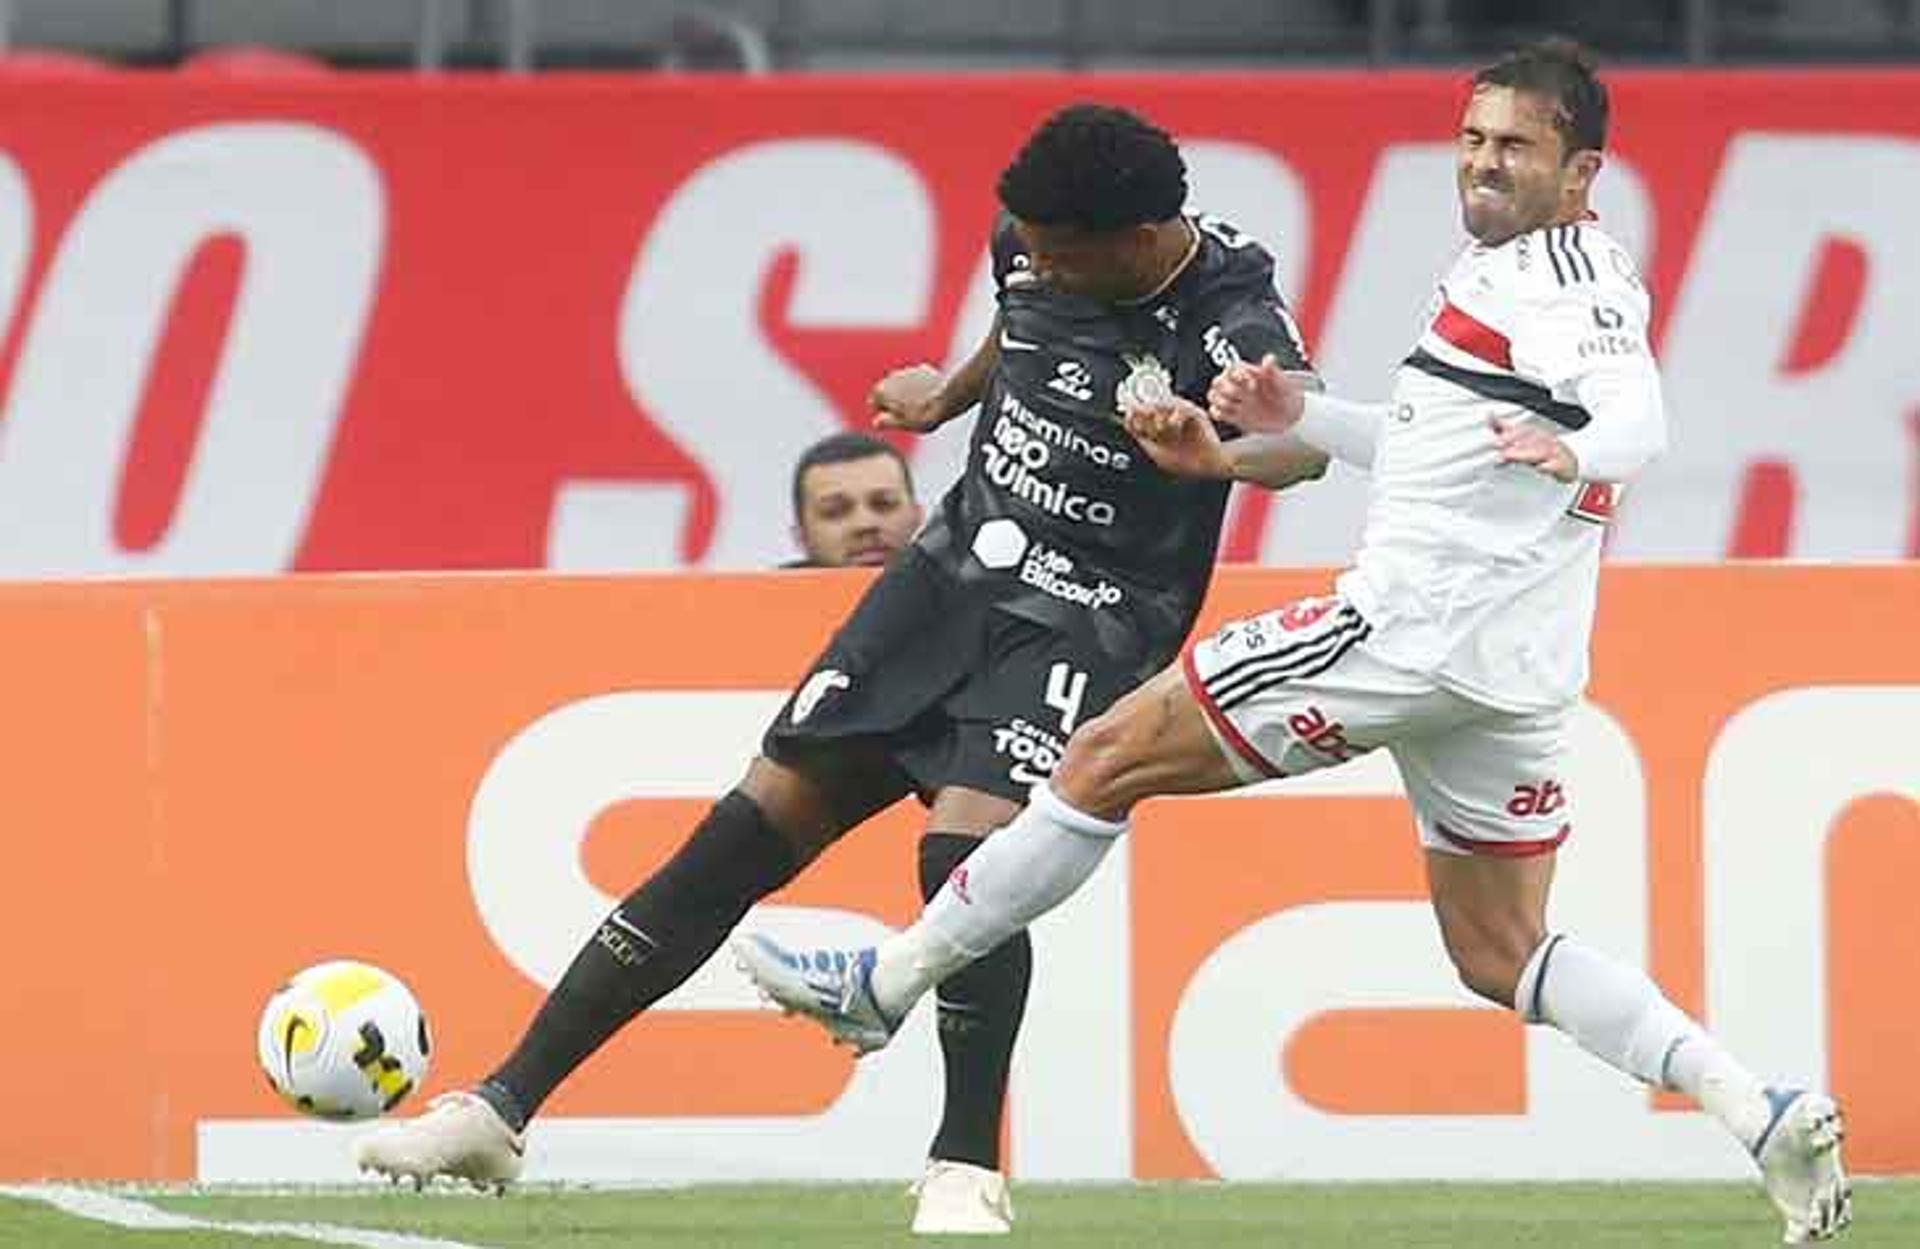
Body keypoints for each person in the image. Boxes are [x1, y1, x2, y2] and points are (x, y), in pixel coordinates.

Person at [737, 41, 1853, 1245]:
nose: (1483, 163)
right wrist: (1295, 419)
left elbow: (1634, 407)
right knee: (1500, 949)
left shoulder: (1556, 287)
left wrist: (1587, 448)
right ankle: (1761, 1108)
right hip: (1516, 672)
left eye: (1516, 145)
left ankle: (886, 982)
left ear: (1583, 168)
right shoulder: (1550, 264)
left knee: (1098, 758)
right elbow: (1451, 435)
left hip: (1404, 629)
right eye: (1473, 138)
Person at [356, 102, 1326, 1235]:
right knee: (742, 831)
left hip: (1094, 615)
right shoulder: (1036, 242)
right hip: (946, 576)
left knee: (962, 855)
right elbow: (1020, 324)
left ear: (1137, 237)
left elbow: (1302, 446)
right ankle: (498, 1106)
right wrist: (949, 395)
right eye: (1030, 248)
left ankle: (964, 1168)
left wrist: (1219, 453)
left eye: (1063, 254)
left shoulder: (1231, 316)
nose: (1037, 264)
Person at [783, 431, 924, 568]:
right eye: (835, 511)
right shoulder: (768, 591)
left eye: (884, 504)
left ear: (917, 516)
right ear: (801, 536)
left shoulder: (945, 583)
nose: (865, 524)